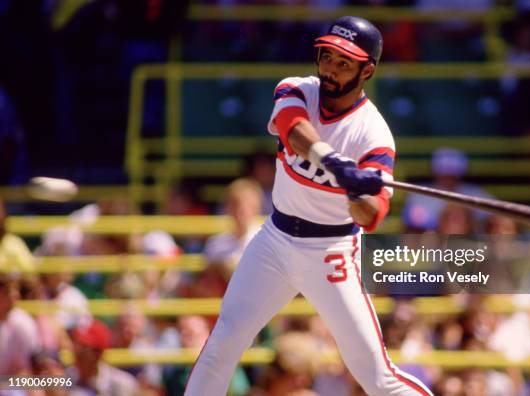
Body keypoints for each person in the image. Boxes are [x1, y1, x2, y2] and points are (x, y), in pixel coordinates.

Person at [184, 16, 433, 396]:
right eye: (327, 57)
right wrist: (336, 164)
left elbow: (372, 216)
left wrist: (359, 192)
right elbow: (293, 129)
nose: (331, 69)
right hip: (275, 240)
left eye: (344, 63)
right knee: (223, 344)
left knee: (376, 376)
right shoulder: (298, 88)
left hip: (332, 253)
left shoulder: (374, 135)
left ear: (367, 70)